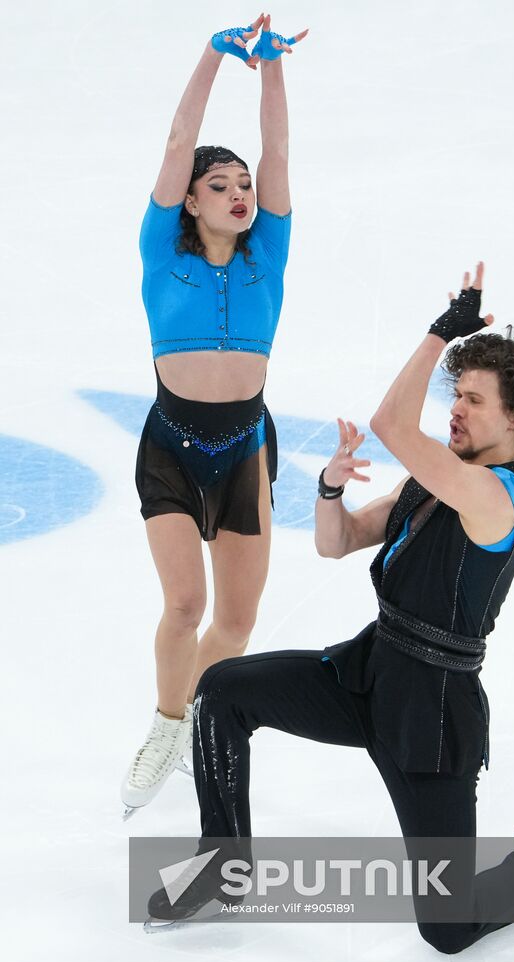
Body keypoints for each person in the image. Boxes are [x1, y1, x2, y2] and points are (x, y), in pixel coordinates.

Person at [147, 262, 514, 950]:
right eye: (457, 394)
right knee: (223, 690)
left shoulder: (497, 496)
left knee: (447, 928)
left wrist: (440, 333)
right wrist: (330, 489)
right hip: (369, 674)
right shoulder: (436, 482)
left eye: (473, 399)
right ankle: (223, 866)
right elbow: (337, 543)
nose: (454, 408)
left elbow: (392, 423)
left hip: (430, 712)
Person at [121, 14, 309, 818]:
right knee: (185, 607)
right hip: (172, 445)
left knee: (234, 622)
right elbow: (177, 141)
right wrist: (213, 54)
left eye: (243, 186)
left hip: (244, 450)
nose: (239, 194)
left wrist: (272, 66)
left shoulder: (269, 253)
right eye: (220, 186)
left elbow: (278, 152)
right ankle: (167, 729)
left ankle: (194, 714)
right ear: (189, 201)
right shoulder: (161, 253)